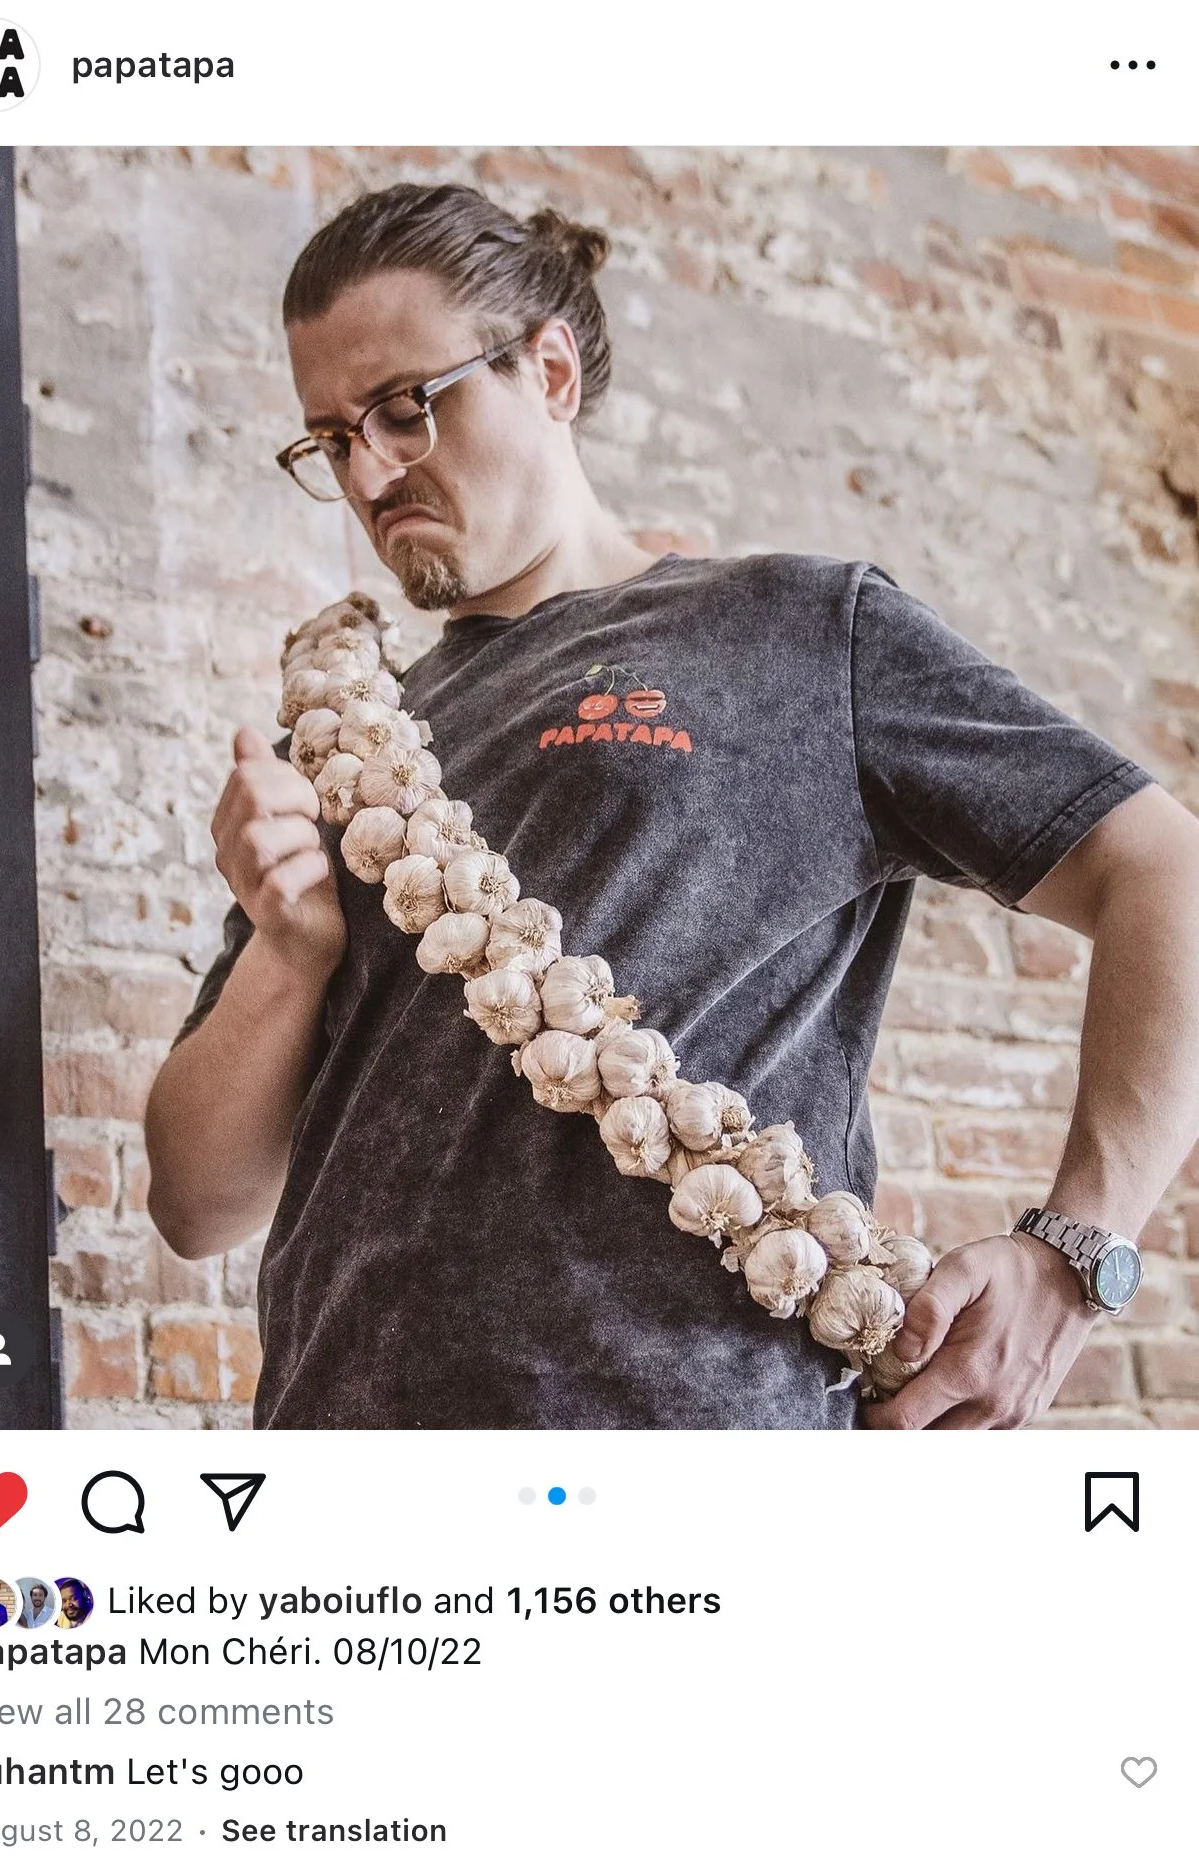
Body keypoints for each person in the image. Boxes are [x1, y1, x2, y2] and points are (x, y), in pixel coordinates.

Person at [144, 182, 1199, 1432]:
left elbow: (1164, 869)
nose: (370, 473)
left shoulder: (797, 632)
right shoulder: (349, 743)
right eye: (331, 440)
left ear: (549, 372)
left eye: (405, 408)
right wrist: (289, 949)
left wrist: (1076, 1255)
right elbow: (196, 1202)